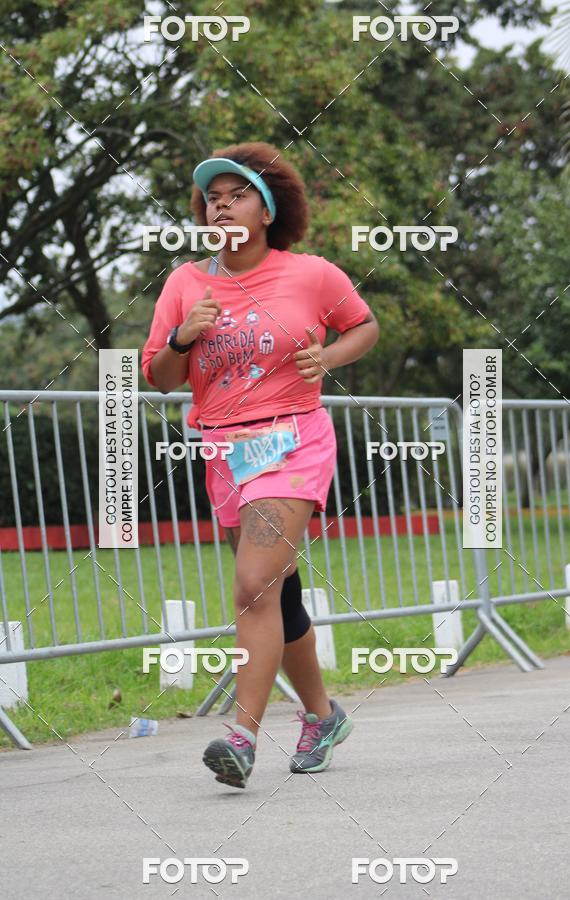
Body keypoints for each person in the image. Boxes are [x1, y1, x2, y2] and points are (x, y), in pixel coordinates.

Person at [141, 142, 379, 789]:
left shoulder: (312, 275)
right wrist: (183, 336)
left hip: (293, 439)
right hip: (222, 448)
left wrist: (327, 359)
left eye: (236, 193)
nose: (221, 204)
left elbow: (363, 326)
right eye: (211, 197)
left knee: (251, 583)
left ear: (267, 208)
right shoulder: (186, 284)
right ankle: (323, 716)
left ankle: (241, 735)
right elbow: (160, 376)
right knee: (277, 595)